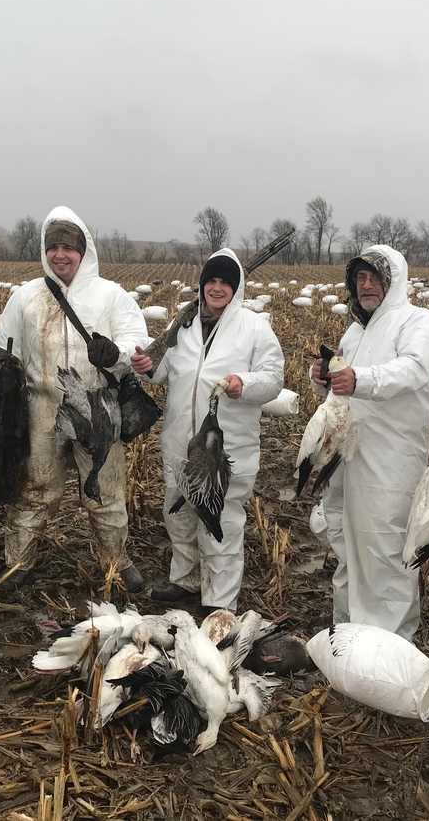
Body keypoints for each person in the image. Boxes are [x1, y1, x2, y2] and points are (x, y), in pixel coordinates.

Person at [0, 207, 150, 593]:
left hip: (98, 408)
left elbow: (137, 345)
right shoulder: (27, 297)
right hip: (41, 408)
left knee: (105, 493)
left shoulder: (112, 296)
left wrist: (116, 355)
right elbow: (1, 347)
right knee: (34, 489)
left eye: (68, 247)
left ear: (84, 251)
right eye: (53, 247)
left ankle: (117, 559)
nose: (60, 255)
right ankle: (19, 564)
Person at [131, 249, 284, 612]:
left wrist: (242, 383)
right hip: (180, 441)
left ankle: (219, 601)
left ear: (236, 288)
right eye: (210, 281)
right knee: (178, 512)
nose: (216, 288)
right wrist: (145, 366)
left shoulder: (253, 328)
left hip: (222, 449)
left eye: (224, 282)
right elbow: (163, 372)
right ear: (201, 285)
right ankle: (184, 579)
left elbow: (274, 380)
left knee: (222, 522)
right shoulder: (183, 325)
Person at [308, 245, 429, 639]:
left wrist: (360, 379)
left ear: (393, 281)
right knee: (346, 542)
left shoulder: (418, 322)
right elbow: (343, 388)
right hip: (350, 455)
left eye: (375, 278)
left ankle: (389, 645)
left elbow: (414, 370)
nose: (366, 285)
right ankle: (348, 632)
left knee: (385, 548)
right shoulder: (356, 330)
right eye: (360, 278)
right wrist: (323, 378)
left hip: (390, 460)